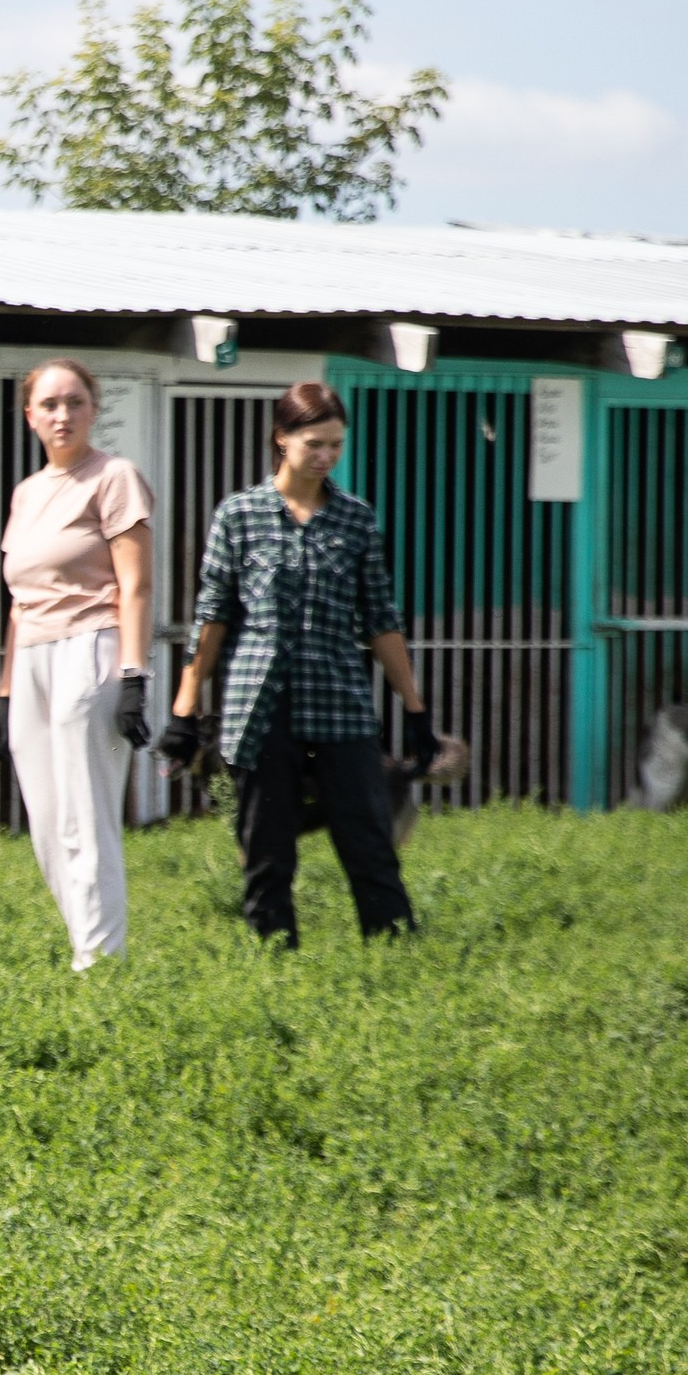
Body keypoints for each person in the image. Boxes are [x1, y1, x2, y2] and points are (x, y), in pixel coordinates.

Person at [161, 377, 437, 948]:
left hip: (340, 705)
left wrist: (414, 709)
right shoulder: (238, 516)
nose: (326, 456)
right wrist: (185, 711)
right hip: (258, 709)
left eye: (336, 444)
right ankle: (275, 974)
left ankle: (398, 966)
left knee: (370, 847)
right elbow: (210, 617)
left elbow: (381, 620)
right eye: (314, 443)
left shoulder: (356, 520)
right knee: (266, 855)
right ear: (281, 440)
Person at [0, 359, 154, 970]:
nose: (63, 415)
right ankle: (89, 946)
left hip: (94, 646)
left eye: (75, 402)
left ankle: (102, 966)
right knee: (49, 825)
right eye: (49, 405)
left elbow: (135, 585)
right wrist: (4, 694)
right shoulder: (26, 493)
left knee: (87, 814)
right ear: (29, 416)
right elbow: (18, 601)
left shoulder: (114, 478)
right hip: (30, 656)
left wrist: (135, 677)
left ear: (93, 409)